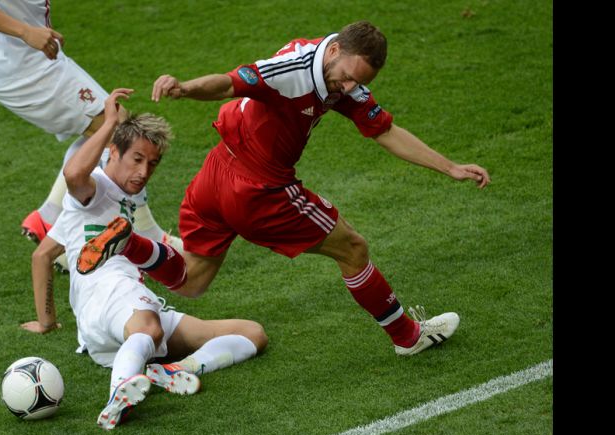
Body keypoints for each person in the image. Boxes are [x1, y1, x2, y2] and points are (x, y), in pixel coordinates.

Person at [78, 21, 491, 356]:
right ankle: (407, 336)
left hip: (216, 174)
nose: (347, 89)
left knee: (191, 281)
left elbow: (385, 131)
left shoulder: (338, 78)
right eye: (346, 77)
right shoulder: (292, 70)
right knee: (352, 248)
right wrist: (185, 88)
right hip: (259, 190)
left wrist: (450, 167)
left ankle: (130, 244)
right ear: (333, 52)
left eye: (356, 83)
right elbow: (227, 83)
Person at [23, 88, 267, 430]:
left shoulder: (108, 204)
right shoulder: (96, 187)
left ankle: (172, 370)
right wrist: (109, 121)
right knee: (148, 328)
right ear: (112, 152)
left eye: (152, 163)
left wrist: (47, 322)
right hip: (109, 292)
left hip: (114, 320)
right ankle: (117, 396)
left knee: (251, 334)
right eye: (136, 158)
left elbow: (42, 254)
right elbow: (74, 176)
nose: (144, 170)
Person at [0, 0, 183, 273]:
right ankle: (148, 234)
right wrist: (26, 31)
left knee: (107, 126)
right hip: (23, 68)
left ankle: (48, 216)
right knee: (118, 130)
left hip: (32, 56)